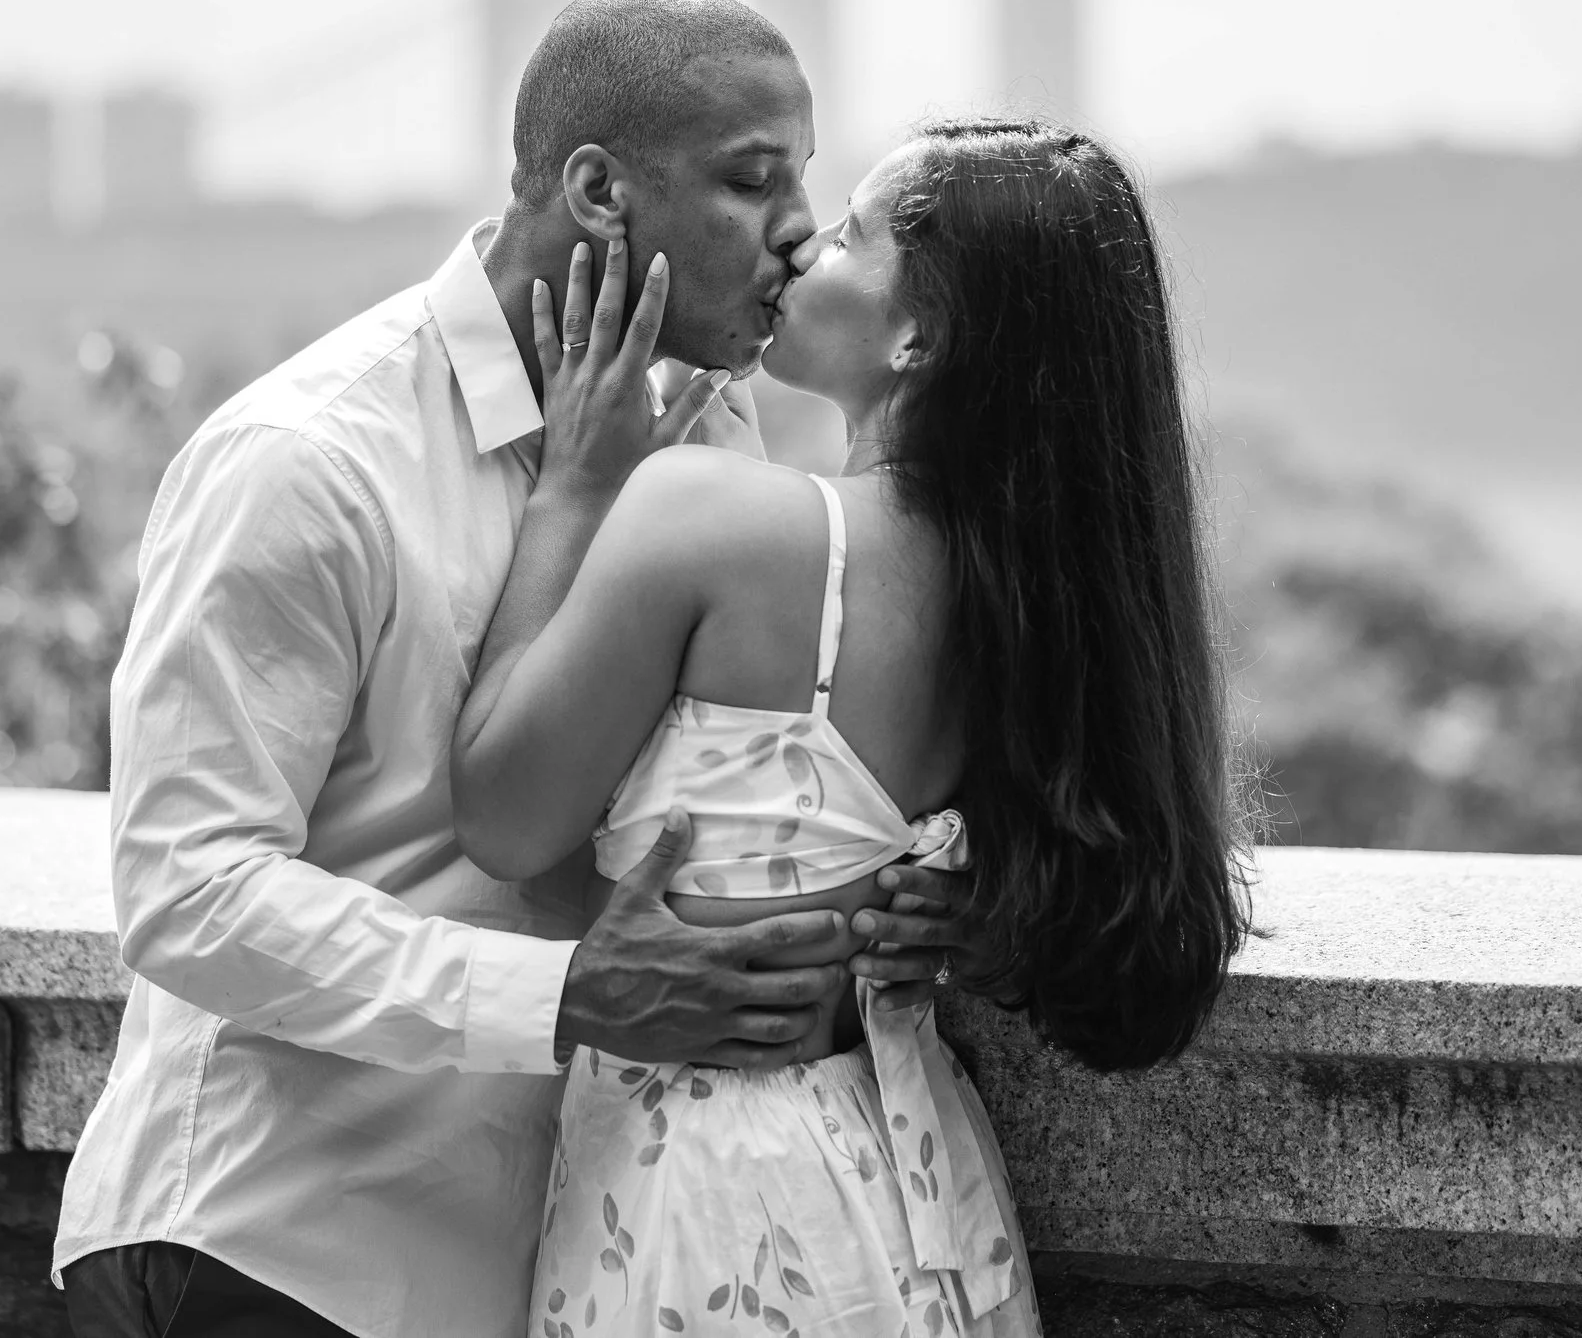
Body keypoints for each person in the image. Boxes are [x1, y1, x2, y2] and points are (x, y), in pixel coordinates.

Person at [53, 0, 975, 1338]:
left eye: (807, 182)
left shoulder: (714, 449)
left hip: (551, 1262)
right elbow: (186, 891)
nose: (795, 228)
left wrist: (941, 898)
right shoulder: (312, 459)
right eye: (750, 178)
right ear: (600, 189)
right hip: (280, 1248)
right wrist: (570, 995)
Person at [450, 116, 1253, 1338]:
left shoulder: (709, 519)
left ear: (918, 334)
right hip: (919, 1168)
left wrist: (572, 483)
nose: (798, 246)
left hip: (716, 1194)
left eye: (848, 234)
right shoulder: (1038, 595)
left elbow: (504, 815)